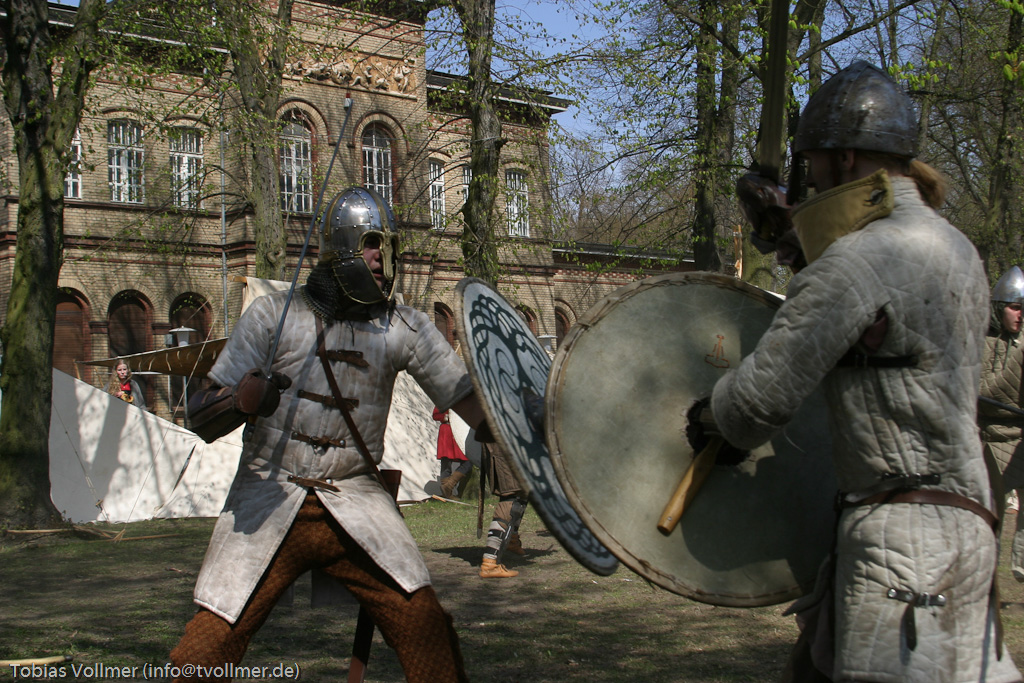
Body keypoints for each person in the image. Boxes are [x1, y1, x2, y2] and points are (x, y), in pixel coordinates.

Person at [695, 61, 1021, 682]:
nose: (811, 178)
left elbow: (755, 405)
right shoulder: (955, 247)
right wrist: (800, 240)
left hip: (903, 548)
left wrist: (705, 414)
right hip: (967, 526)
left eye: (814, 164)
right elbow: (878, 318)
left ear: (844, 158)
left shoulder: (854, 262)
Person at [171, 186, 485, 683]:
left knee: (426, 628)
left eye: (387, 245)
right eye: (370, 243)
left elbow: (470, 404)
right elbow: (199, 416)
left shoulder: (405, 327)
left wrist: (524, 418)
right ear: (341, 247)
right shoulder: (274, 315)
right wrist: (239, 401)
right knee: (208, 646)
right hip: (268, 495)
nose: (381, 256)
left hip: (357, 500)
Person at [979, 265, 1024, 580]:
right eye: (1015, 307)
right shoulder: (981, 343)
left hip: (1020, 435)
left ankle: (1020, 562)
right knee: (988, 511)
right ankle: (984, 571)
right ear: (999, 308)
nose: (1021, 315)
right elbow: (982, 392)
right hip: (988, 436)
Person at [478, 442, 528, 579]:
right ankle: (489, 563)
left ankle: (511, 540)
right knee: (511, 496)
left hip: (508, 445)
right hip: (503, 445)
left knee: (523, 492)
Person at [433, 406, 472, 498]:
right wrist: (447, 417)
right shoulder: (443, 400)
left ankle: (449, 485)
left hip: (459, 432)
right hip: (446, 431)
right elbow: (436, 415)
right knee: (446, 462)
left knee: (468, 462)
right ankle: (447, 494)